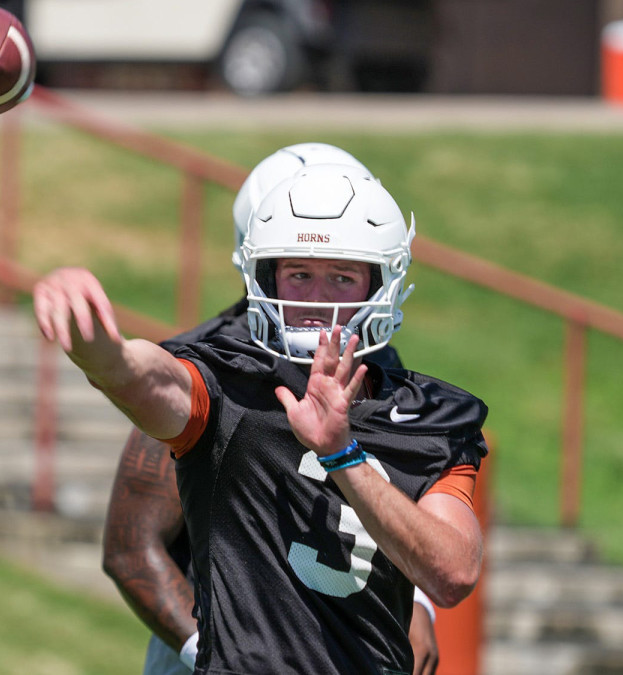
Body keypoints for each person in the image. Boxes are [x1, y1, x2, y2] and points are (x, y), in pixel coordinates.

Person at [35, 163, 487, 674]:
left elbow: (453, 573)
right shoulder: (229, 383)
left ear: (381, 283)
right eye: (299, 275)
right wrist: (97, 346)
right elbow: (146, 379)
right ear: (264, 275)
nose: (317, 302)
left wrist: (342, 455)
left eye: (341, 277)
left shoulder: (428, 413)